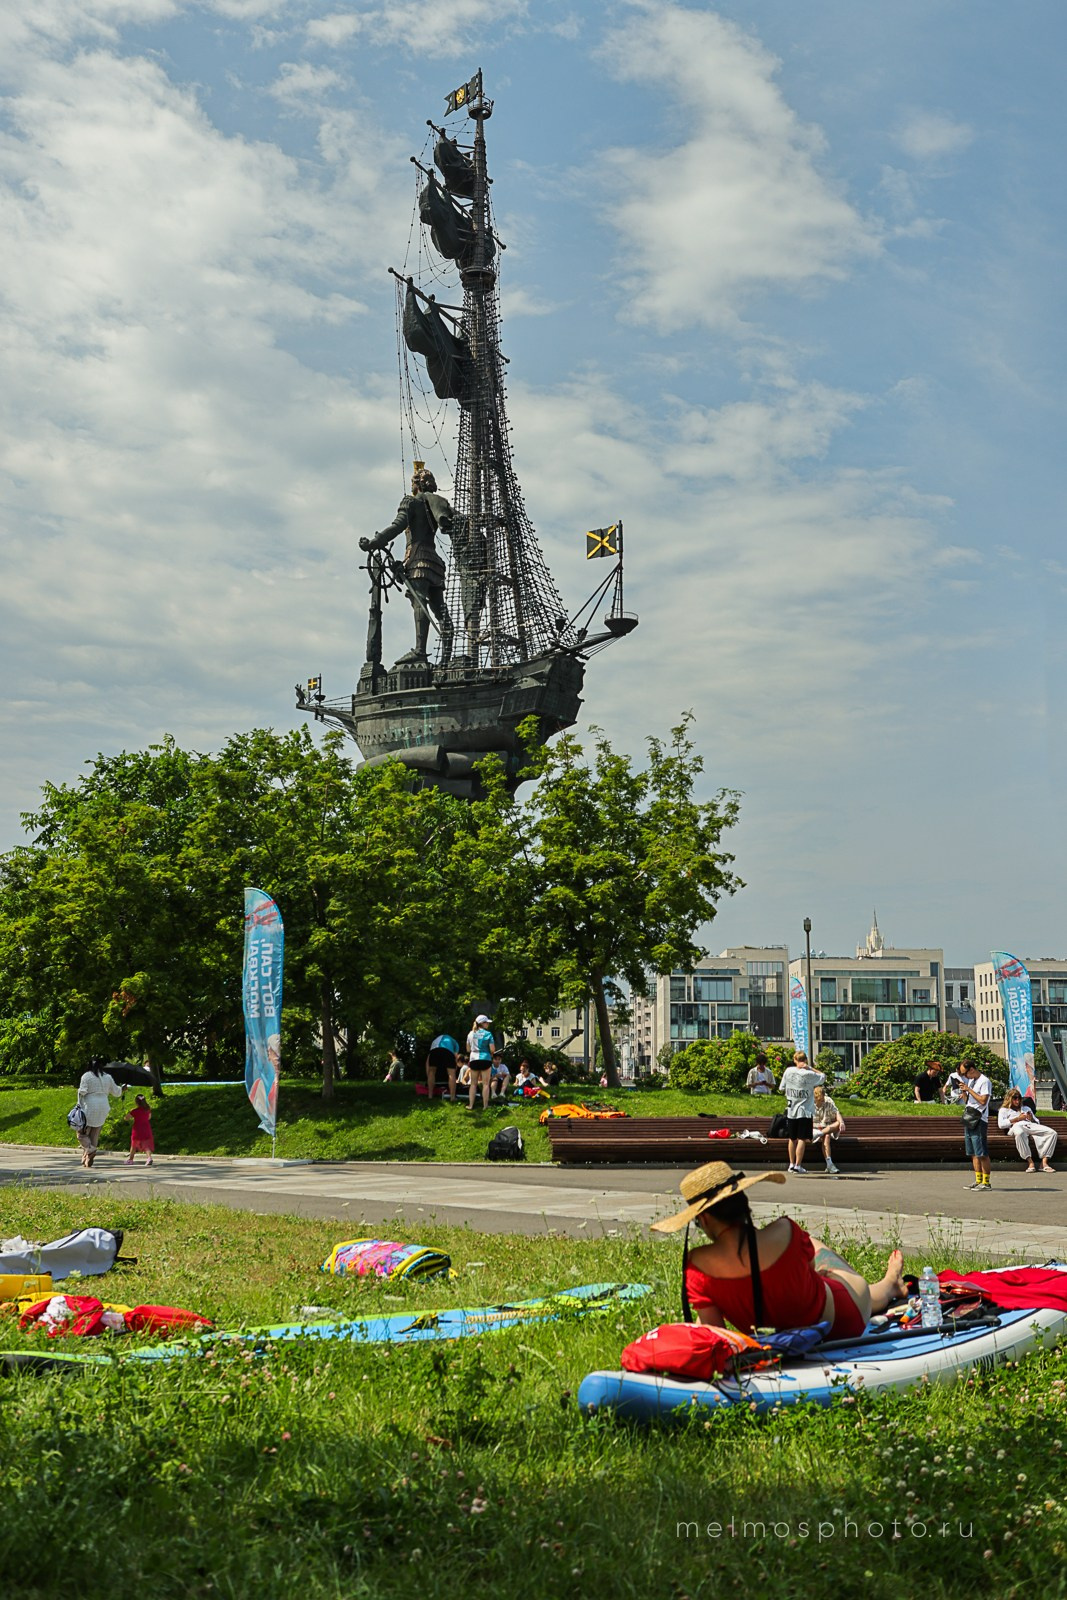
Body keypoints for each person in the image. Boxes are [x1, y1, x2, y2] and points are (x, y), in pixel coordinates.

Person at [651, 1161, 906, 1338]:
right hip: (841, 1321)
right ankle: (889, 1283)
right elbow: (810, 1279)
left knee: (818, 1262)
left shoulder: (697, 1266)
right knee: (822, 1257)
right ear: (744, 1201)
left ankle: (888, 1284)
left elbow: (715, 1332)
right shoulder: (785, 1230)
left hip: (781, 1338)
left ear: (703, 1219)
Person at [360, 465, 455, 665]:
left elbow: (396, 527)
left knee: (418, 600)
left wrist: (373, 543)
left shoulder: (411, 502)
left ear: (417, 485)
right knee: (440, 609)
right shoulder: (435, 504)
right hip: (434, 562)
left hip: (418, 559)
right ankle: (446, 656)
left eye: (413, 482)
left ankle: (420, 651)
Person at [777, 1051, 824, 1175]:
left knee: (792, 1139)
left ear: (794, 1059)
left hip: (791, 1109)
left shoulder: (788, 1071)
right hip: (805, 1111)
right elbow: (823, 1076)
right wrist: (810, 1067)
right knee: (802, 1138)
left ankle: (791, 1164)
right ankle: (798, 1165)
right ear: (806, 1060)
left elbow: (781, 1088)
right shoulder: (809, 1074)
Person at [951, 1058, 993, 1190]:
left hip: (979, 1119)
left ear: (972, 1070)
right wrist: (964, 1090)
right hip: (969, 1117)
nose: (964, 1076)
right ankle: (978, 1179)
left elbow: (982, 1100)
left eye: (965, 1074)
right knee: (973, 1152)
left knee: (981, 1152)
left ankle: (986, 1182)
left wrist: (969, 1089)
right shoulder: (972, 1081)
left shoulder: (984, 1081)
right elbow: (967, 1100)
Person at [75, 1058, 124, 1167]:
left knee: (81, 1133)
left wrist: (79, 1104)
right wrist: (122, 1089)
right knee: (95, 1133)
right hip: (104, 1106)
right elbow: (116, 1092)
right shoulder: (107, 1077)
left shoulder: (86, 1076)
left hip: (90, 1106)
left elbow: (82, 1091)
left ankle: (91, 1149)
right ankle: (87, 1158)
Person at [997, 1088, 1057, 1173]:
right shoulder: (1004, 1110)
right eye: (1014, 1098)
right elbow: (1001, 1125)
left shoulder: (1026, 1108)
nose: (1017, 1101)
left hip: (1029, 1125)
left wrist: (1031, 1119)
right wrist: (1017, 1119)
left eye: (1019, 1098)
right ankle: (1030, 1162)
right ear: (1009, 1099)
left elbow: (1037, 1122)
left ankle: (1044, 1163)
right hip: (1016, 1126)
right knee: (1020, 1133)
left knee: (1052, 1133)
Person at [811, 1084, 845, 1177]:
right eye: (820, 1100)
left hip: (825, 1128)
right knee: (827, 1135)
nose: (822, 1101)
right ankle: (830, 1164)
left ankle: (829, 1164)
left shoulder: (828, 1100)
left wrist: (841, 1122)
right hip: (813, 1129)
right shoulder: (809, 1103)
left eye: (823, 1099)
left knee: (831, 1129)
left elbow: (836, 1112)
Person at [465, 1015, 494, 1111]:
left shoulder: (470, 1034)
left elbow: (468, 1049)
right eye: (486, 1022)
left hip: (473, 1059)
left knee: (473, 1084)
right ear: (482, 1023)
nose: (488, 1024)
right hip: (485, 1059)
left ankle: (470, 1105)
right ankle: (485, 1106)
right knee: (486, 1084)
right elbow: (492, 1050)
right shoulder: (488, 1034)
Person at [425, 1033, 460, 1103]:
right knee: (451, 1073)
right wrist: (454, 1070)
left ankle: (430, 1095)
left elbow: (427, 1062)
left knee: (432, 1072)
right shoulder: (455, 1043)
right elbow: (455, 1058)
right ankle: (452, 1097)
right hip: (448, 1051)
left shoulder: (435, 1040)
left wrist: (427, 1076)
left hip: (434, 1050)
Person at [124, 1093, 155, 1167]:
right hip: (146, 1128)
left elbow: (126, 1118)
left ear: (136, 1102)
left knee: (134, 1144)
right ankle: (149, 1158)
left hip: (137, 1129)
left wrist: (127, 1115)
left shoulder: (134, 1111)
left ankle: (130, 1160)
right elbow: (149, 1118)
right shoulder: (148, 1110)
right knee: (146, 1144)